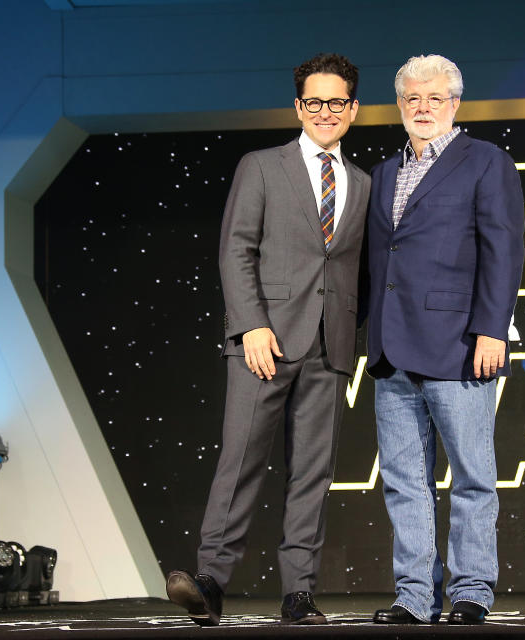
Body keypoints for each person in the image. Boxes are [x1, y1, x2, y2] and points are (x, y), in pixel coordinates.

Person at [165, 53, 370, 626]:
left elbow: (360, 270)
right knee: (241, 461)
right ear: (297, 107)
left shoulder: (363, 184)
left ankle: (298, 594)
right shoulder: (261, 166)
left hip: (330, 350)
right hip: (264, 343)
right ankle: (210, 581)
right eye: (313, 102)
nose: (324, 112)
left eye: (335, 103)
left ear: (351, 109)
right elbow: (236, 249)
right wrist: (251, 324)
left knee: (313, 473)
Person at [364, 54, 525, 625]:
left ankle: (472, 592)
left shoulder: (486, 163)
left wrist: (491, 329)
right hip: (391, 349)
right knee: (405, 483)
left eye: (434, 98)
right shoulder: (384, 172)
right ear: (400, 105)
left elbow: (504, 252)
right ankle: (414, 596)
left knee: (472, 477)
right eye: (412, 99)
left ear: (455, 103)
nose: (423, 108)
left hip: (458, 345)